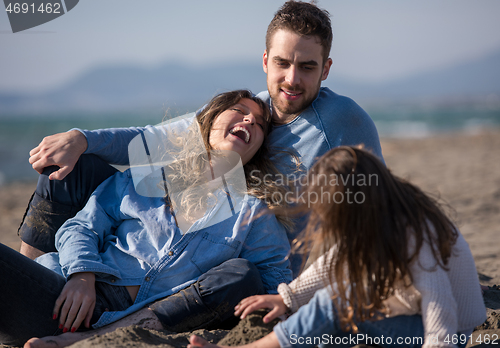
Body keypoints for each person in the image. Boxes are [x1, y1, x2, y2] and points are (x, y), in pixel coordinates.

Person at [19, 1, 384, 271]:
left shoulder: (344, 121)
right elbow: (152, 141)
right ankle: (32, 277)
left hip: (247, 261)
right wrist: (81, 138)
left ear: (326, 70)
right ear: (265, 60)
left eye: (307, 67)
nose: (292, 79)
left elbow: (378, 207)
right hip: (193, 232)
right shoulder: (244, 113)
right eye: (282, 63)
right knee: (70, 169)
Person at [0, 90, 293, 347]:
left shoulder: (253, 213)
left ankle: (92, 341)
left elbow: (275, 283)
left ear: (257, 149)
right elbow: (82, 226)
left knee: (243, 273)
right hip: (68, 296)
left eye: (259, 124)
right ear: (209, 122)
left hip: (145, 321)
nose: (249, 121)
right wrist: (82, 274)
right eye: (240, 112)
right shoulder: (146, 179)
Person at [188, 146, 487, 348]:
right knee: (326, 316)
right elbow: (335, 261)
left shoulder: (418, 234)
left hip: (451, 336)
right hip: (416, 323)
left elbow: (441, 310)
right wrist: (288, 298)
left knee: (334, 305)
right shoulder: (390, 211)